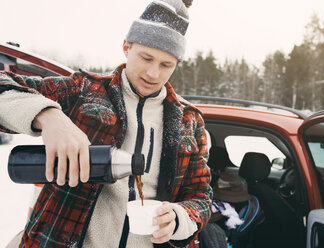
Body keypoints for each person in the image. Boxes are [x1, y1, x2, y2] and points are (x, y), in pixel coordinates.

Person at [0, 0, 212, 247]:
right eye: (146, 58)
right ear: (126, 47)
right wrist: (48, 115)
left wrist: (179, 218)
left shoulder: (190, 120)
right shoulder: (83, 91)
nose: (153, 73)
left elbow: (200, 196)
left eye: (166, 65)